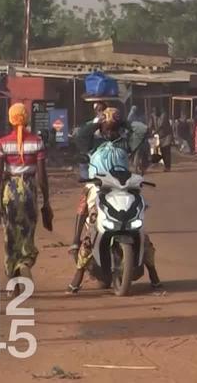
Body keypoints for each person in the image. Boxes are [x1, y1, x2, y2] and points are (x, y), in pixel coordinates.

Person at [68, 107, 160, 292]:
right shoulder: (93, 142)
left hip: (123, 186)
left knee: (141, 229)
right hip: (98, 186)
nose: (110, 132)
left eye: (114, 128)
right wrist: (96, 122)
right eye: (107, 128)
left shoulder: (124, 142)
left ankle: (153, 272)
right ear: (101, 127)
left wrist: (122, 121)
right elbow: (79, 137)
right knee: (89, 216)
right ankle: (75, 246)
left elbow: (141, 129)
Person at [0, 103, 52, 287]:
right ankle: (25, 262)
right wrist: (46, 201)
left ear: (10, 119)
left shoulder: (2, 143)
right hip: (30, 190)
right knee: (27, 232)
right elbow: (42, 176)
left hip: (10, 191)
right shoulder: (37, 142)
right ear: (27, 118)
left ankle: (13, 277)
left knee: (10, 233)